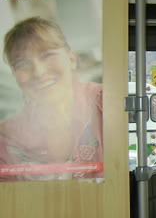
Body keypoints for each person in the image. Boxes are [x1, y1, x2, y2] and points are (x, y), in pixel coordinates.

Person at [0, 17, 103, 181]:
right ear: (15, 76)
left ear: (71, 59)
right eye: (21, 64)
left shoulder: (105, 103)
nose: (38, 72)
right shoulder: (5, 138)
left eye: (47, 55)